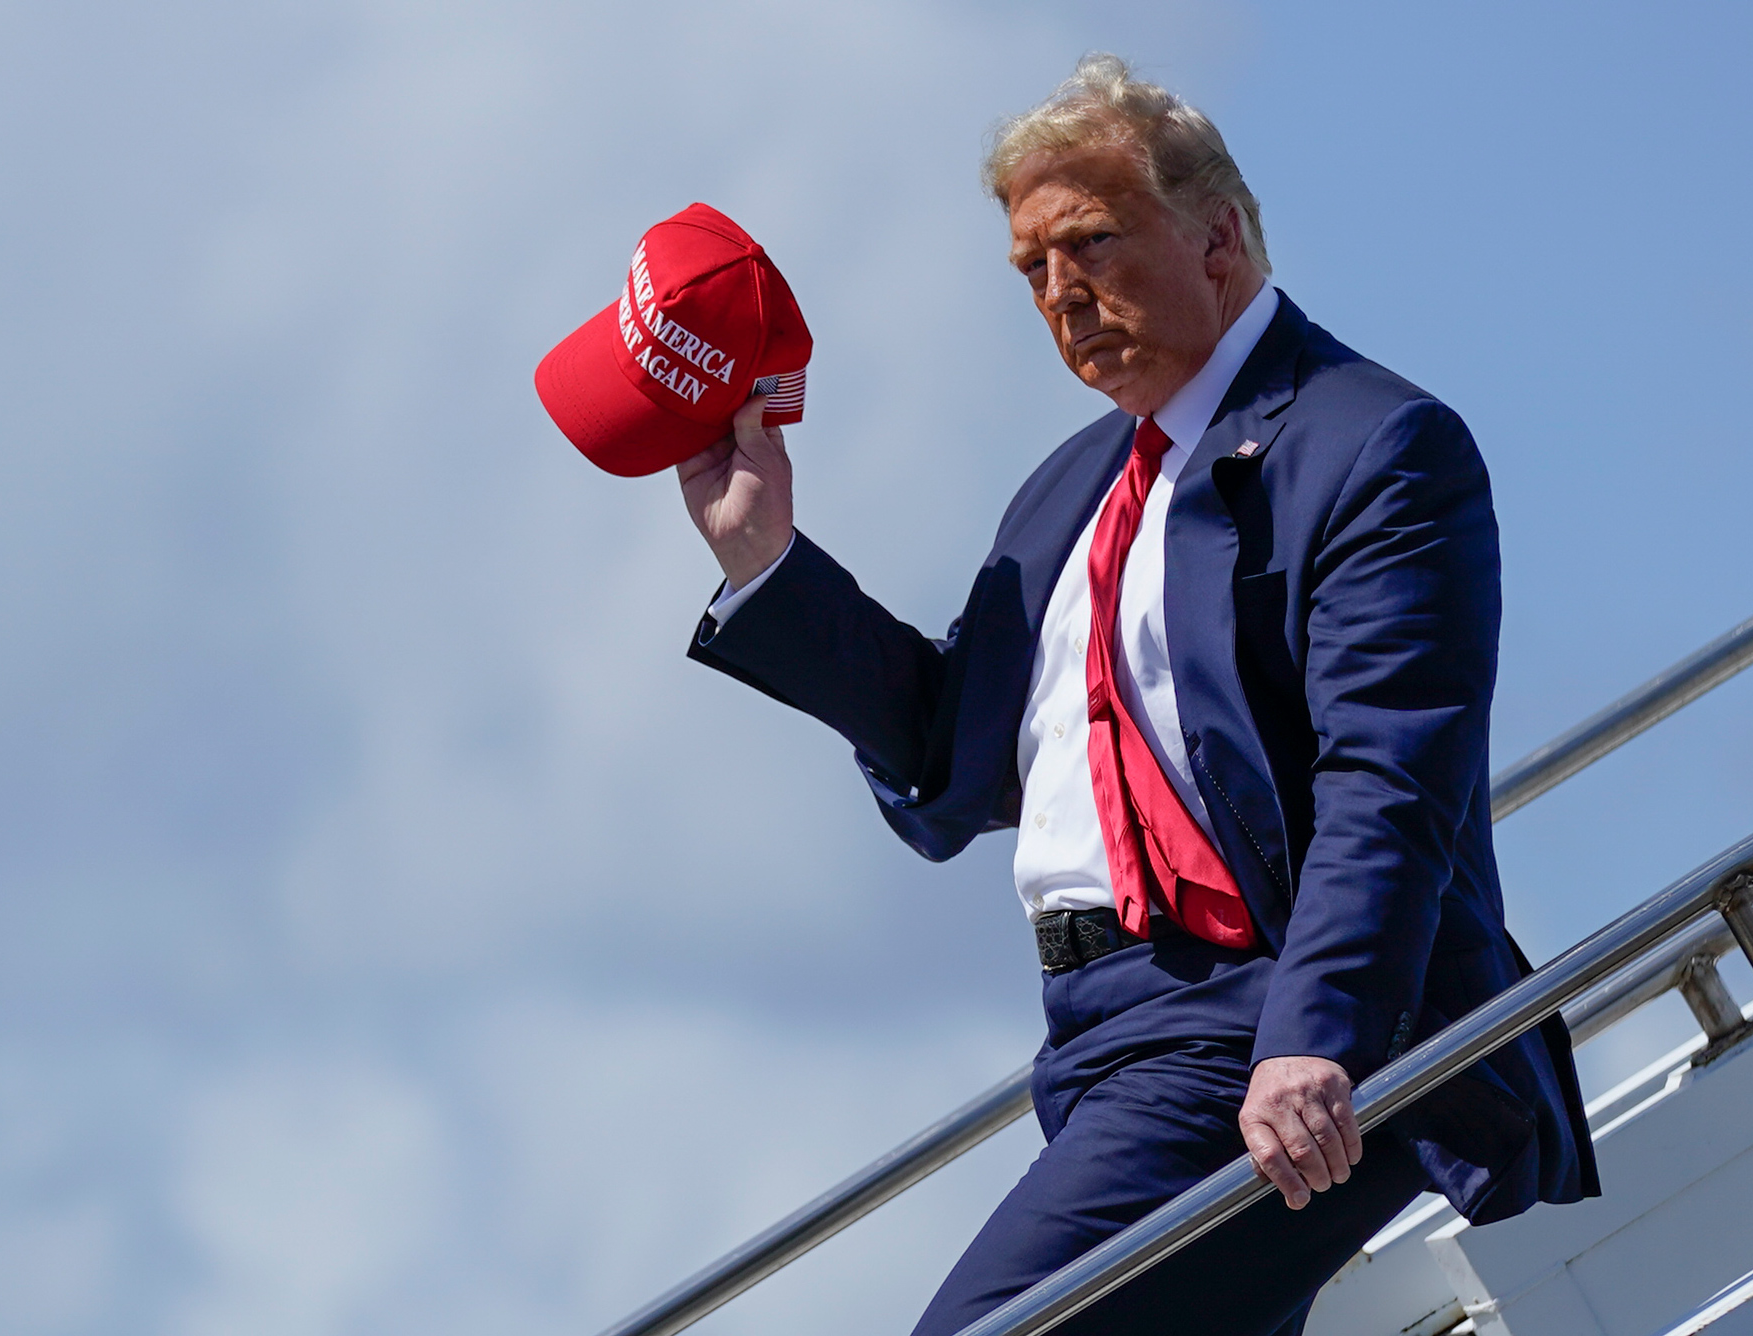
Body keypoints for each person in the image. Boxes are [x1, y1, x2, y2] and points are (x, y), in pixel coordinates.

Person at [676, 54, 1598, 1336]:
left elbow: (1387, 780)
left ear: (1217, 236)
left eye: (1091, 244)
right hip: (1093, 1037)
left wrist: (1311, 1034)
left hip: (1257, 1023)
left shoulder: (1373, 444)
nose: (1061, 295)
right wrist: (767, 560)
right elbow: (956, 764)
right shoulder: (1067, 491)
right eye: (1029, 271)